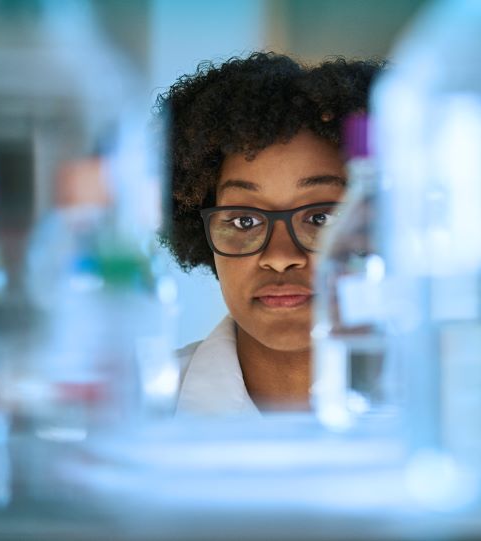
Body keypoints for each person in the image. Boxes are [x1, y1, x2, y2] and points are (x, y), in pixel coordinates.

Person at [157, 52, 382, 415]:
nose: (279, 257)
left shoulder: (458, 408)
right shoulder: (136, 411)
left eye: (322, 218)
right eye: (245, 220)